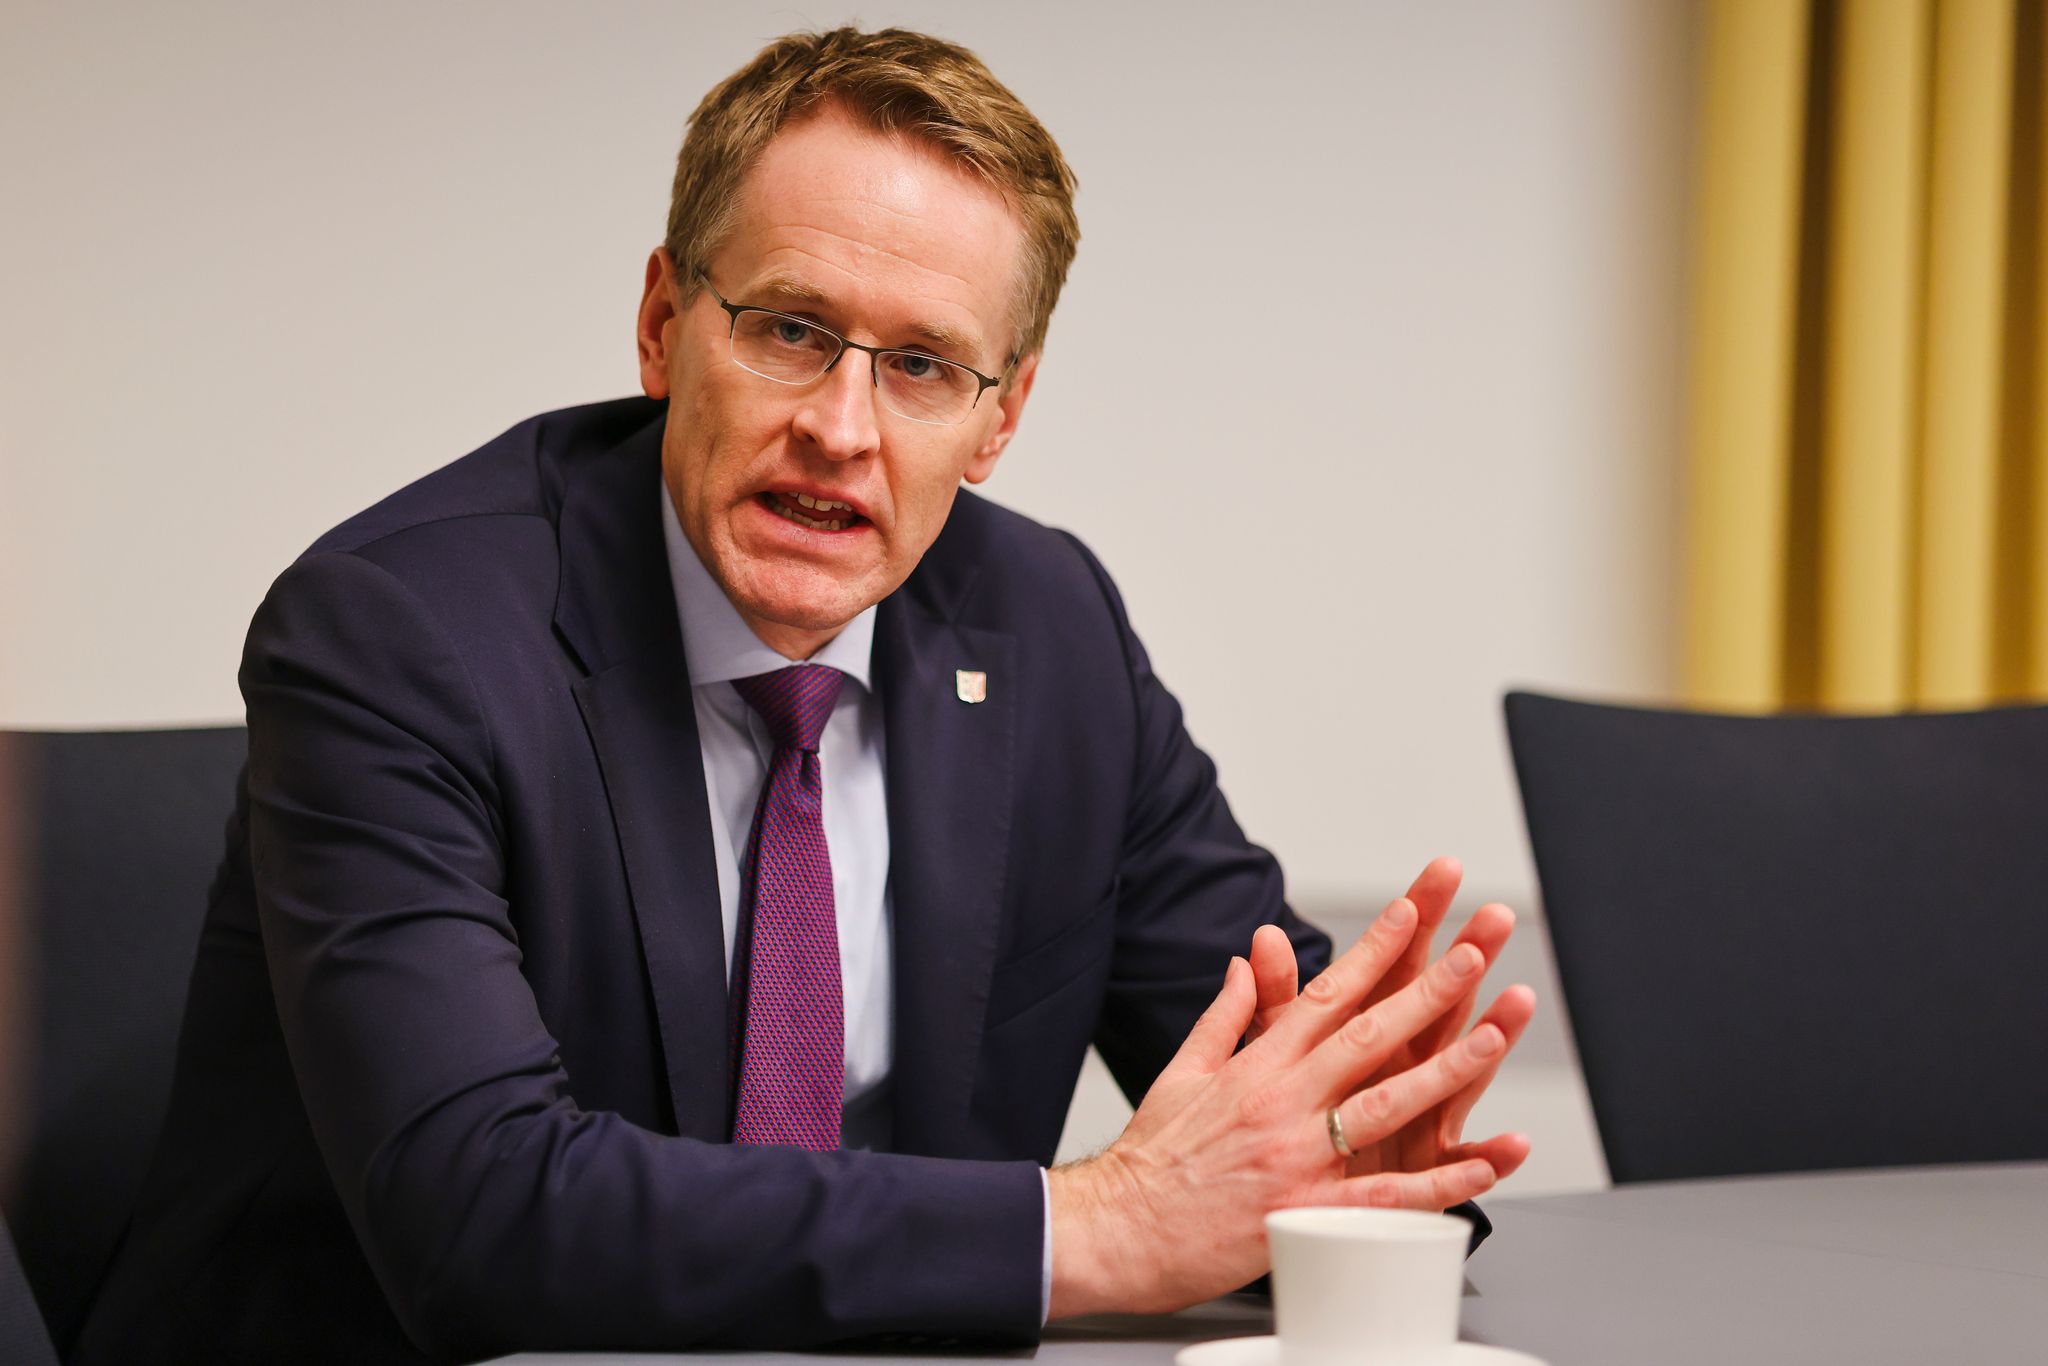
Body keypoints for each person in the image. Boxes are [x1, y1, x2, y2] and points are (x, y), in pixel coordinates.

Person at [73, 26, 1534, 1366]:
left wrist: (1364, 1153)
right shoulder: (399, 637)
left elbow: (1290, 1096)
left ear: (1001, 416)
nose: (840, 428)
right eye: (787, 328)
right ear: (663, 323)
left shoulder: (1052, 633)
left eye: (922, 366)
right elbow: (483, 1217)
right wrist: (1087, 1229)